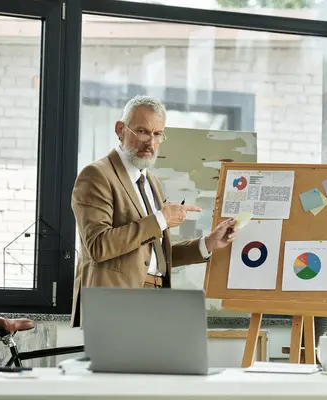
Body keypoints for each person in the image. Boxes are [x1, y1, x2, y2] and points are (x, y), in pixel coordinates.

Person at [70, 95, 237, 327]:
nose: (150, 142)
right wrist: (161, 219)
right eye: (142, 131)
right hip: (113, 304)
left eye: (157, 134)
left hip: (154, 299)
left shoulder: (152, 183)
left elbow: (152, 255)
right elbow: (99, 246)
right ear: (120, 129)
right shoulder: (96, 175)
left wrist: (207, 244)